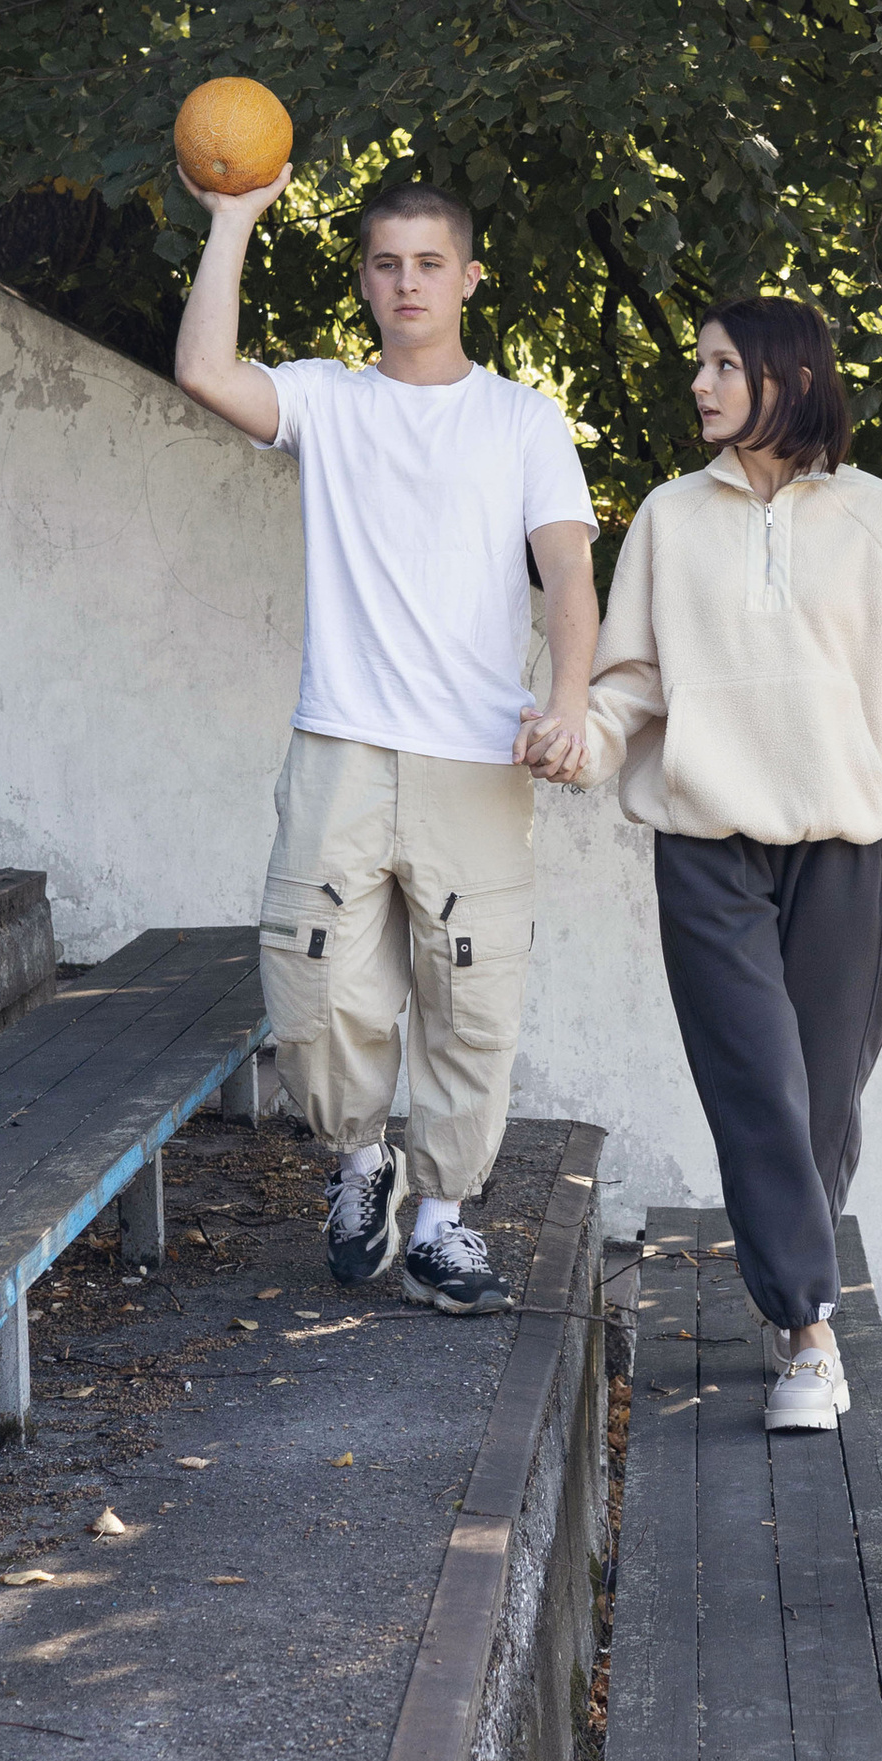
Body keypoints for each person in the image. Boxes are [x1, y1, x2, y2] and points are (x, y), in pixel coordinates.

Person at [517, 295, 882, 1431]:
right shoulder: (672, 521)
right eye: (700, 365)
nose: (702, 385)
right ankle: (809, 1334)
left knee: (824, 1104)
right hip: (707, 851)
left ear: (788, 378)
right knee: (758, 1095)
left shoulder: (877, 519)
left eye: (723, 366)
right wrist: (584, 736)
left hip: (842, 852)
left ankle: (788, 1296)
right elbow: (631, 680)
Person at [174, 160, 598, 1316]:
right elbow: (206, 371)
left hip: (477, 755)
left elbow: (566, 567)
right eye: (385, 264)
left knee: (472, 1002)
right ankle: (361, 1166)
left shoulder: (521, 420)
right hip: (340, 747)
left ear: (467, 277)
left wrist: (568, 700)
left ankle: (445, 1224)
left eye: (428, 264)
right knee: (315, 993)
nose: (407, 283)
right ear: (363, 280)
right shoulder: (330, 399)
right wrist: (234, 219)